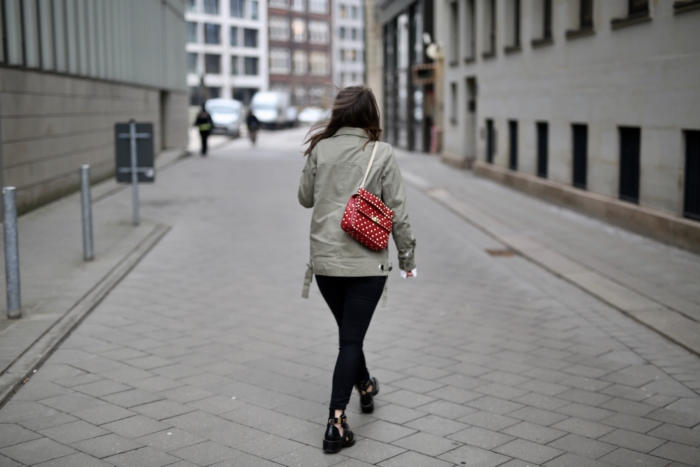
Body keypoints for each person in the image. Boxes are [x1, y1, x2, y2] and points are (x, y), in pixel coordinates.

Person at [298, 85, 417, 454]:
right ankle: (336, 423)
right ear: (370, 116)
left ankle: (365, 386)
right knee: (350, 339)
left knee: (350, 335)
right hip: (367, 262)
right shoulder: (381, 152)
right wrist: (408, 260)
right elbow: (397, 210)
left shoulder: (321, 149)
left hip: (326, 264)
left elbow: (304, 197)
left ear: (340, 113)